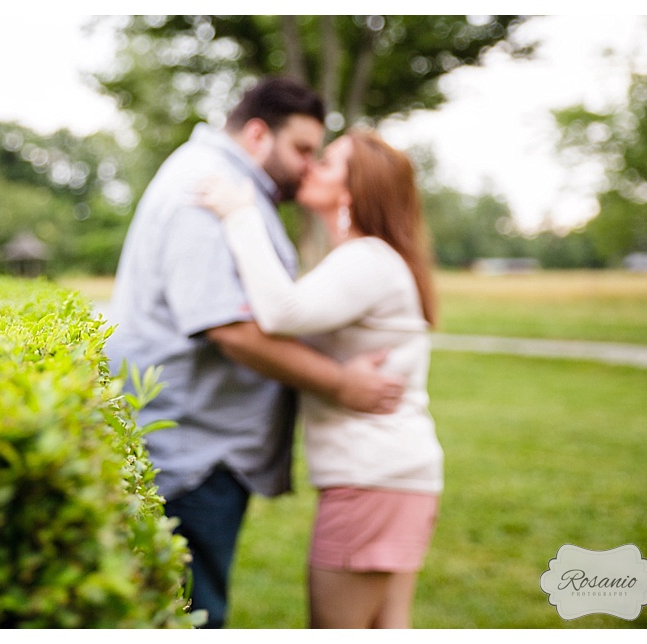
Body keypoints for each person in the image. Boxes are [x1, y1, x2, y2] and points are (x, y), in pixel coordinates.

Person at [104, 78, 407, 629]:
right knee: (189, 617)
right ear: (258, 134)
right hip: (191, 456)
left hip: (203, 444)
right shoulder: (205, 187)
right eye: (301, 150)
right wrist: (341, 383)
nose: (307, 166)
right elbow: (229, 328)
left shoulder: (227, 185)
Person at [196, 129, 443, 628]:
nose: (311, 168)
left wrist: (240, 215)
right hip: (398, 477)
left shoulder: (366, 259)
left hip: (371, 479)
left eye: (327, 163)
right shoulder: (373, 260)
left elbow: (281, 312)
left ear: (352, 191)